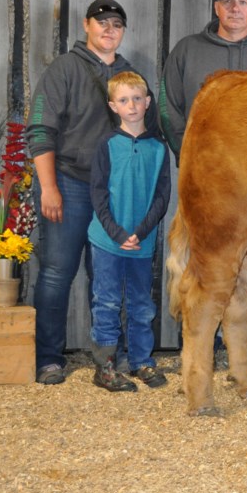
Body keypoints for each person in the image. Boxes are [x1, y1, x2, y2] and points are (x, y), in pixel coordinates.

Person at [160, 0, 247, 374]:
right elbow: (168, 105)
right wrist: (193, 160)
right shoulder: (187, 50)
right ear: (216, 8)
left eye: (243, 2)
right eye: (228, 1)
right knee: (206, 257)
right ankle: (202, 349)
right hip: (207, 183)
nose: (236, 8)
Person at [27, 0, 159, 385]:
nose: (108, 28)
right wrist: (48, 187)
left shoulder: (131, 77)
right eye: (101, 22)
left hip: (116, 192)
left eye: (116, 23)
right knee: (57, 272)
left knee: (107, 278)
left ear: (122, 31)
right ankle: (48, 358)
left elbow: (149, 134)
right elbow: (40, 130)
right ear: (86, 25)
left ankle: (106, 357)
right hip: (68, 181)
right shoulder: (64, 69)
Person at [88, 72, 171, 392]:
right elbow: (97, 194)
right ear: (113, 106)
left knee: (141, 303)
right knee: (106, 301)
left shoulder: (159, 148)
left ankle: (141, 361)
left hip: (143, 242)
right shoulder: (106, 145)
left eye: (137, 98)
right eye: (124, 100)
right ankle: (105, 365)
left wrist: (140, 231)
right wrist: (118, 232)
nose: (132, 105)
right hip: (107, 240)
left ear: (148, 101)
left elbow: (162, 196)